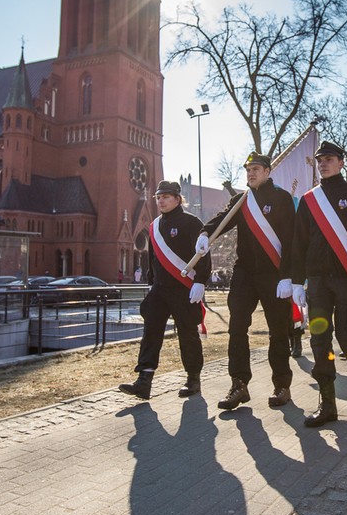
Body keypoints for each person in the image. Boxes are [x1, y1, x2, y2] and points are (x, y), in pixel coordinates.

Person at [290, 141, 347, 427]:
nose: (323, 164)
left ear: (341, 163)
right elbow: (299, 242)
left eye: (329, 159)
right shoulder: (309, 200)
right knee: (320, 342)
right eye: (320, 160)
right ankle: (328, 404)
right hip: (317, 281)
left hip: (345, 279)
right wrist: (296, 282)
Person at [195, 152, 296, 410]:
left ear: (267, 171)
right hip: (245, 273)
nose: (250, 173)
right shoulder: (242, 201)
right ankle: (239, 384)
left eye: (256, 168)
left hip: (274, 274)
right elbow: (222, 220)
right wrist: (206, 232)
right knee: (237, 327)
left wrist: (288, 276)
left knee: (278, 330)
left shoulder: (282, 199)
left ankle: (281, 385)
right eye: (248, 169)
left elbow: (291, 241)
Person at [119, 181, 211, 400]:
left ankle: (193, 379)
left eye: (166, 197)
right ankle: (144, 381)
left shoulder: (191, 222)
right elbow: (153, 260)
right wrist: (151, 283)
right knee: (150, 334)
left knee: (187, 335)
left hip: (184, 289)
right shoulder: (155, 226)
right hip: (160, 289)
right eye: (158, 197)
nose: (161, 200)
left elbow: (203, 254)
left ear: (177, 199)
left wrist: (200, 281)